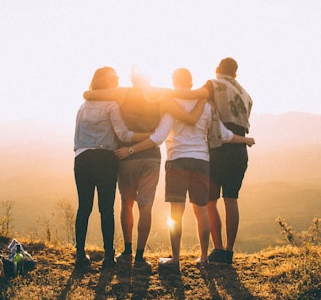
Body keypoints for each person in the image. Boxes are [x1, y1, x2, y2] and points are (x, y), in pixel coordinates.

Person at [114, 68, 255, 269]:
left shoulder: (171, 104)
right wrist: (245, 140)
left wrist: (131, 149)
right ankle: (204, 257)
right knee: (202, 211)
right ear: (191, 83)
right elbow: (223, 134)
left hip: (177, 161)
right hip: (201, 161)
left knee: (176, 213)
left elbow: (158, 137)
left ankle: (175, 259)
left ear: (174, 82)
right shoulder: (206, 105)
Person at [83, 69, 205, 270]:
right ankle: (140, 257)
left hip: (127, 156)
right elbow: (188, 106)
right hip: (151, 157)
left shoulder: (122, 93)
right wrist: (203, 95)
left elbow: (90, 94)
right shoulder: (161, 95)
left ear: (132, 78)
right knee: (145, 206)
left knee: (127, 203)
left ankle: (127, 251)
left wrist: (88, 94)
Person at [170, 57, 254, 265]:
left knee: (210, 200)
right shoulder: (245, 94)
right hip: (239, 149)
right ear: (236, 74)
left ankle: (216, 249)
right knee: (232, 199)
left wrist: (164, 94)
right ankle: (228, 251)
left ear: (218, 69)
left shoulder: (213, 84)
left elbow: (192, 95)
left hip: (219, 147)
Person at [74, 67, 150, 269]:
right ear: (108, 83)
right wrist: (147, 136)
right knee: (106, 209)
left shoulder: (84, 105)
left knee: (84, 208)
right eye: (114, 78)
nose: (117, 81)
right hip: (105, 159)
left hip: (82, 158)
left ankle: (80, 255)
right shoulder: (112, 105)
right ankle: (109, 257)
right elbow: (123, 135)